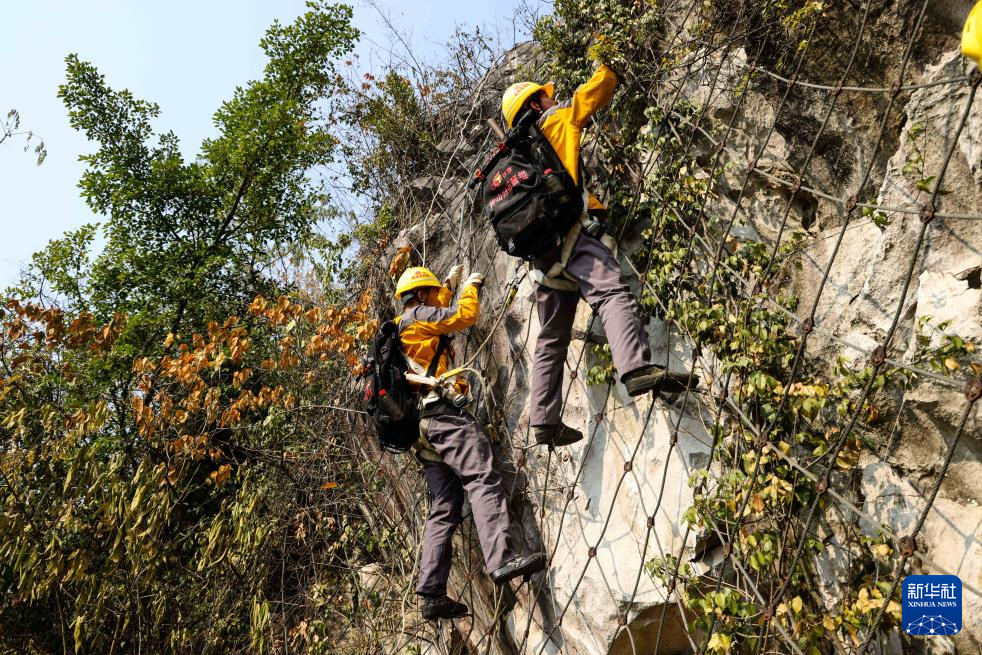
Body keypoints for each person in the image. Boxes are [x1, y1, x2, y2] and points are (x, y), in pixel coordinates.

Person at [500, 64, 697, 449]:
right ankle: (636, 368)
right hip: (575, 234)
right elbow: (593, 95)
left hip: (542, 258)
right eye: (548, 95)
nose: (553, 98)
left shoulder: (511, 159)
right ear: (537, 101)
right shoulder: (553, 120)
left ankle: (544, 419)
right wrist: (606, 64)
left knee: (551, 337)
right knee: (611, 293)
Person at [394, 265, 547, 621]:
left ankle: (431, 592)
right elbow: (463, 316)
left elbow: (436, 314)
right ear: (420, 295)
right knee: (481, 476)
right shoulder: (421, 314)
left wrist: (447, 285)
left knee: (444, 506)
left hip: (421, 429)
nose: (436, 296)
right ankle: (503, 559)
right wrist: (471, 288)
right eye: (432, 292)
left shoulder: (405, 324)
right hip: (444, 415)